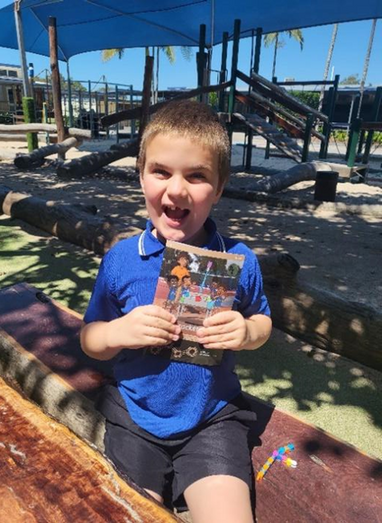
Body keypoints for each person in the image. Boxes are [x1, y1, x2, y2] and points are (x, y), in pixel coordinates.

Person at [80, 100, 272, 523]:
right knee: (129, 513)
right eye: (161, 171)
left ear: (219, 188)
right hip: (135, 417)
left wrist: (246, 331)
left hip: (212, 419)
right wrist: (117, 333)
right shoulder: (120, 260)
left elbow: (263, 322)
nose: (177, 190)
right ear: (141, 174)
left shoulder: (239, 261)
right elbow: (90, 339)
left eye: (198, 176)